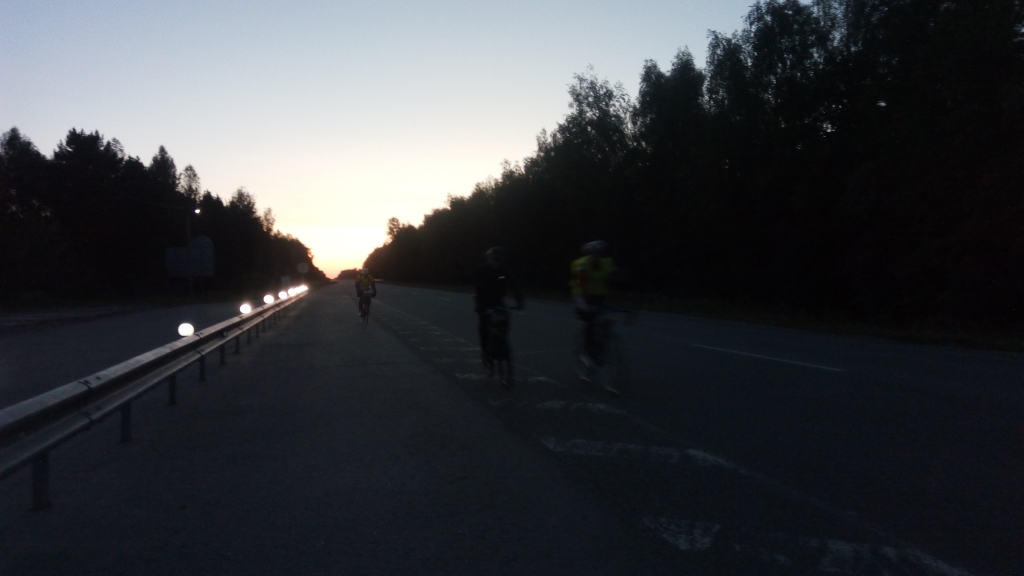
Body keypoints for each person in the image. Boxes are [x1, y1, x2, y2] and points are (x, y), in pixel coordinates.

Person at [471, 246, 523, 376]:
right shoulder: (481, 270)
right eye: (494, 259)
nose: (497, 262)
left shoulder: (504, 271)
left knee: (504, 323)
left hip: (498, 302)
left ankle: (502, 342)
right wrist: (480, 306)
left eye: (499, 259)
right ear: (489, 259)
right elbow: (475, 284)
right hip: (483, 302)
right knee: (484, 328)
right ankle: (486, 354)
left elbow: (514, 285)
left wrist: (520, 301)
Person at [569, 240, 616, 367]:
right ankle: (586, 351)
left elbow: (610, 282)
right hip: (582, 294)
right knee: (589, 318)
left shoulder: (607, 263)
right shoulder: (582, 264)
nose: (597, 256)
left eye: (599, 253)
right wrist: (590, 305)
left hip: (599, 294)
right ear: (589, 254)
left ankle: (601, 342)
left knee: (608, 318)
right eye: (594, 254)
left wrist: (612, 301)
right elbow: (582, 284)